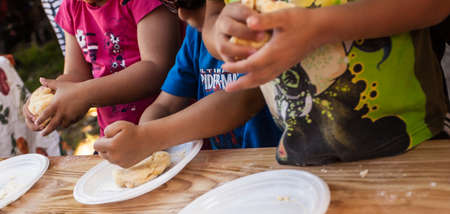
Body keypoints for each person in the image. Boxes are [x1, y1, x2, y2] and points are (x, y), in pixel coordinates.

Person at [202, 0, 450, 166]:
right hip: (300, 155)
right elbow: (212, 16)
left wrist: (319, 27)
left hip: (412, 142)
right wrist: (219, 33)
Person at [93, 0, 282, 168]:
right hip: (226, 167)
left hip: (273, 163)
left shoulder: (256, 32)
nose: (182, 15)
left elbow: (243, 100)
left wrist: (148, 137)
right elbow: (164, 105)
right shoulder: (194, 37)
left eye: (191, 2)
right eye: (173, 4)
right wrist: (143, 139)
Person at [23, 0, 181, 138]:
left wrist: (83, 95)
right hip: (114, 136)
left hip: (168, 128)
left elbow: (156, 69)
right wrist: (47, 97)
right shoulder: (72, 6)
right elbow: (76, 74)